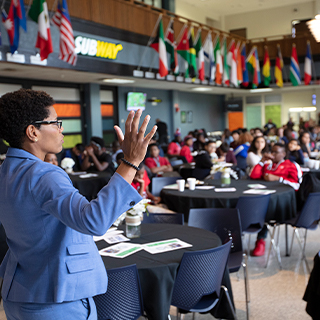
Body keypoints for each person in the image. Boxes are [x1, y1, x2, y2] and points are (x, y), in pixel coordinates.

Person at [0, 88, 157, 320]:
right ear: (33, 132)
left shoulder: (6, 171)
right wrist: (130, 162)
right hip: (56, 300)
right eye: (55, 123)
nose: (61, 129)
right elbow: (93, 220)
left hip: (21, 293)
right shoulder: (44, 174)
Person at [250, 143, 302, 256]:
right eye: (271, 151)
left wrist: (279, 179)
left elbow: (297, 185)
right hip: (264, 196)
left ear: (283, 154)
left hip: (283, 202)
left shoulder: (291, 165)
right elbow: (254, 176)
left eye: (275, 152)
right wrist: (261, 161)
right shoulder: (268, 165)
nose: (272, 154)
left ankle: (261, 240)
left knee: (264, 210)